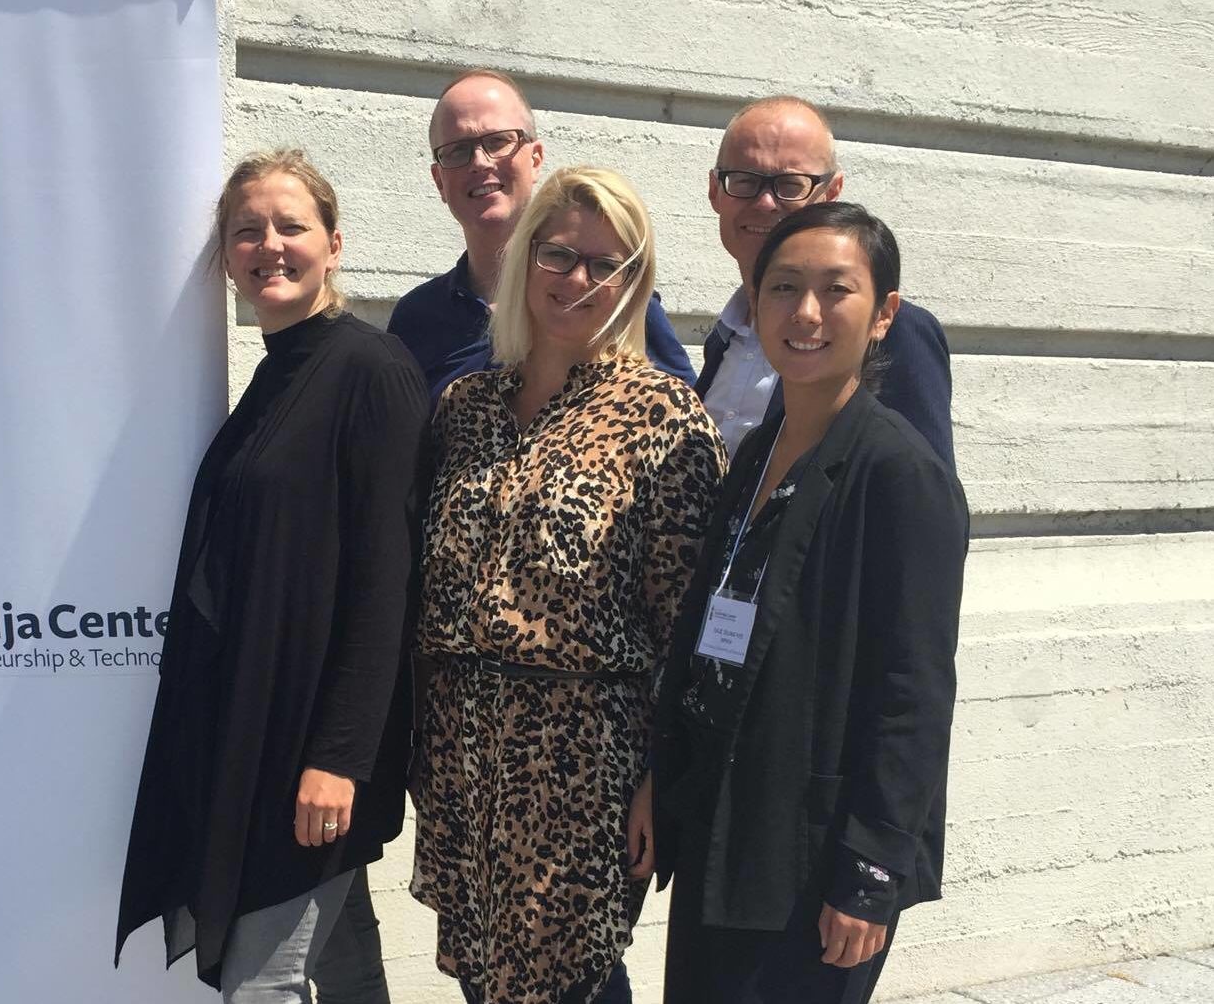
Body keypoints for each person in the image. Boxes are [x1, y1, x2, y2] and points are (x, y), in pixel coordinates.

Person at [115, 150, 428, 1004]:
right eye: (246, 230)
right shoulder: (274, 373)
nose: (269, 245)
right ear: (225, 258)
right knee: (346, 970)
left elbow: (383, 588)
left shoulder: (372, 371)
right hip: (255, 739)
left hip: (309, 749)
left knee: (263, 983)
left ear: (334, 244)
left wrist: (339, 760)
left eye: (290, 226)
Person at [408, 166, 726, 1004]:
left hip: (581, 765)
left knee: (575, 985)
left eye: (606, 265)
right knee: (484, 979)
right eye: (558, 254)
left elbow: (686, 625)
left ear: (634, 282)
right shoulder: (467, 407)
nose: (578, 279)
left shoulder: (663, 417)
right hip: (460, 751)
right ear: (524, 259)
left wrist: (659, 773)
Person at [639, 203, 968, 1004]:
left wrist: (869, 869)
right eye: (783, 288)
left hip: (814, 849)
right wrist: (658, 774)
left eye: (836, 290)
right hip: (727, 819)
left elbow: (913, 694)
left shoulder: (899, 475)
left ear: (883, 313)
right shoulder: (757, 448)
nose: (806, 313)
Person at [386, 68, 695, 401]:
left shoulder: (610, 297)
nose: (480, 162)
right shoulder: (417, 318)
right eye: (458, 151)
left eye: (498, 141)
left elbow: (683, 421)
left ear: (535, 159)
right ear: (438, 180)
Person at [697, 96, 955, 468]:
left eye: (790, 184)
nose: (766, 203)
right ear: (714, 191)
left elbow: (925, 503)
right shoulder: (725, 337)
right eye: (744, 181)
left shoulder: (892, 333)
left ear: (832, 194)